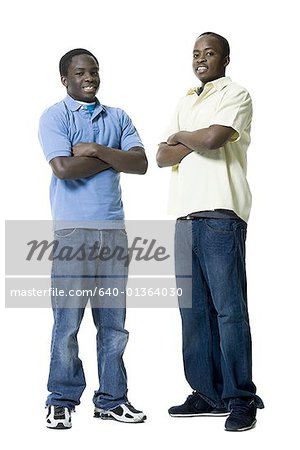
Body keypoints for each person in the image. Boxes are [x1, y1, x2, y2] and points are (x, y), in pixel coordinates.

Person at [156, 32, 264, 432]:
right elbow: (162, 156)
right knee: (194, 313)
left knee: (230, 311)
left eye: (209, 53)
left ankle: (241, 398)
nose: (201, 59)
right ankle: (207, 394)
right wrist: (193, 138)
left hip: (220, 215)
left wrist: (184, 136)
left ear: (225, 59)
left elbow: (216, 139)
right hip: (184, 219)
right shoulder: (186, 99)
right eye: (196, 53)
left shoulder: (237, 94)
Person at [39, 48, 148, 429]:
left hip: (113, 235)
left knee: (114, 325)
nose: (90, 78)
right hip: (72, 234)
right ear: (65, 79)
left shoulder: (117, 116)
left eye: (95, 71)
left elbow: (141, 163)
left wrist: (99, 150)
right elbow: (64, 168)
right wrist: (116, 157)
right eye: (81, 72)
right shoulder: (54, 116)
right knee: (67, 323)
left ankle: (112, 400)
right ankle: (62, 399)